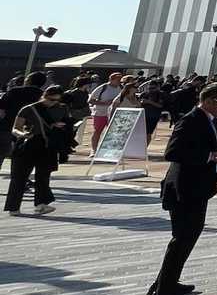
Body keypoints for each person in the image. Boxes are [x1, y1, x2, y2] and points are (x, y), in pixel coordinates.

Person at [148, 82, 217, 295]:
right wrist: (213, 156)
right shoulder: (190, 120)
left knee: (187, 236)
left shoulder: (210, 121)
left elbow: (216, 144)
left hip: (198, 188)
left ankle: (165, 282)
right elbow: (173, 152)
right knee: (183, 237)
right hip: (185, 189)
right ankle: (164, 292)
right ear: (207, 101)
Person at [4, 85, 75, 216]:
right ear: (44, 96)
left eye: (57, 100)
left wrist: (63, 127)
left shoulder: (62, 108)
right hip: (29, 143)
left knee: (43, 176)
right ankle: (13, 208)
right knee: (19, 177)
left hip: (48, 144)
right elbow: (15, 128)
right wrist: (22, 134)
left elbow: (69, 125)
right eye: (51, 99)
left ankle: (41, 205)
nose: (53, 102)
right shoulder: (29, 109)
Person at [0, 71, 47, 175]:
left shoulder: (13, 91)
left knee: (1, 152)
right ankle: (21, 178)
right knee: (23, 158)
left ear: (28, 80)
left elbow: (1, 110)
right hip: (30, 130)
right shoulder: (43, 95)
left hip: (7, 126)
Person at [87, 72, 124, 152]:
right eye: (117, 80)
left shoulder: (121, 88)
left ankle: (108, 150)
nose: (119, 81)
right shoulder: (103, 87)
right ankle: (94, 150)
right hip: (100, 113)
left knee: (113, 133)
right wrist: (104, 103)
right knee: (98, 131)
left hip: (114, 114)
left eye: (120, 80)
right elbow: (90, 100)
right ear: (111, 79)